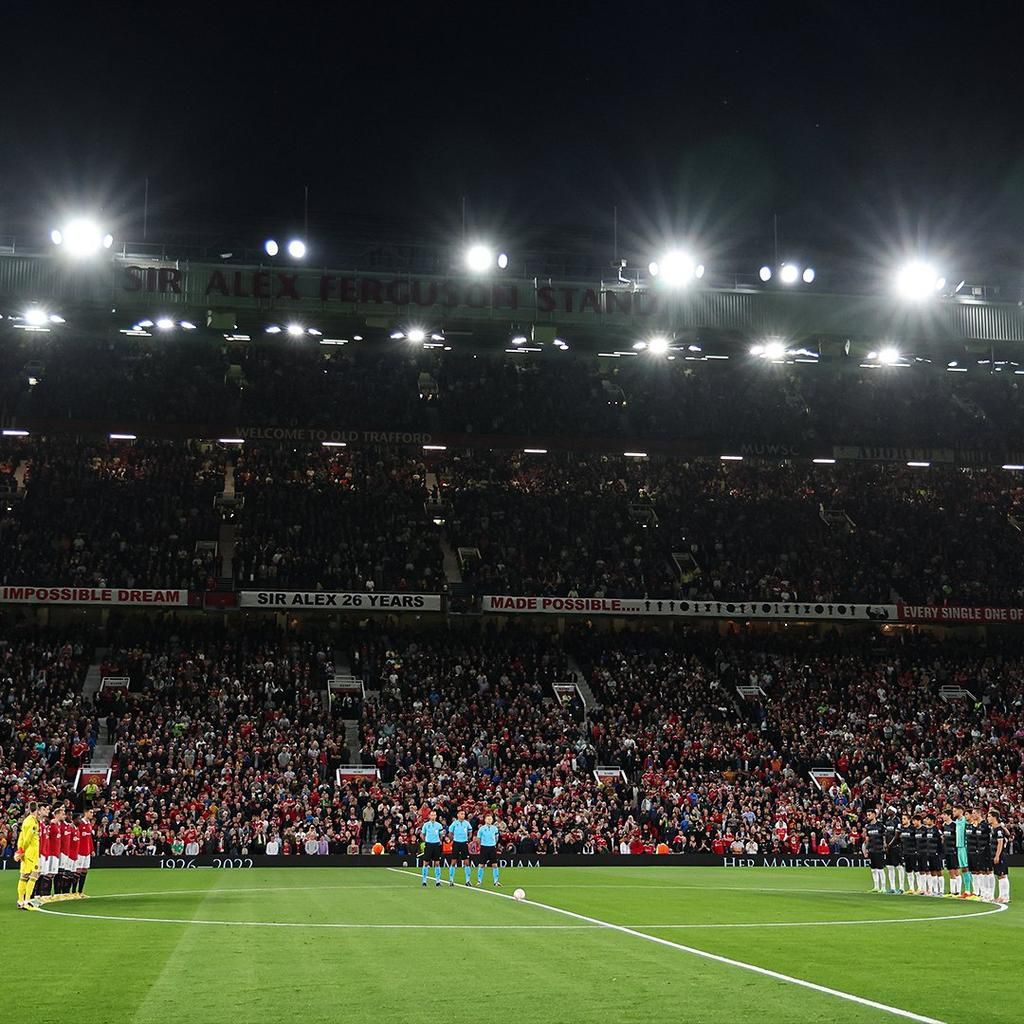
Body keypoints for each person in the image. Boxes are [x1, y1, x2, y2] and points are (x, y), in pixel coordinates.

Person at [14, 801, 44, 910]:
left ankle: (21, 901)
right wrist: (21, 851)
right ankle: (27, 901)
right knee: (33, 876)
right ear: (36, 810)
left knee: (24, 876)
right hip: (31, 853)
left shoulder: (28, 821)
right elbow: (27, 839)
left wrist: (20, 850)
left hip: (28, 852)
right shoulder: (31, 822)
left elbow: (21, 837)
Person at [987, 810, 1010, 905]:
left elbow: (1000, 843)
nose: (988, 818)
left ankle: (1004, 897)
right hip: (995, 854)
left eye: (989, 816)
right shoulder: (994, 828)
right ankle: (1002, 896)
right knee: (999, 876)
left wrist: (997, 856)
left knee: (1002, 875)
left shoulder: (999, 829)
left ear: (994, 817)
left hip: (1000, 855)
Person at [447, 809, 473, 887]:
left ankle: (468, 880)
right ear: (458, 815)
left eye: (464, 814)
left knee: (467, 862)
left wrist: (469, 838)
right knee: (453, 861)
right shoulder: (454, 823)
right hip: (456, 843)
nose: (463, 815)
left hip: (464, 843)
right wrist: (452, 839)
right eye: (461, 814)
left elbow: (470, 831)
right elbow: (450, 833)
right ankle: (451, 880)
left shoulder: (467, 823)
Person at [420, 810, 445, 888]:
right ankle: (424, 881)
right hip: (428, 845)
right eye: (432, 815)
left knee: (437, 863)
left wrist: (439, 840)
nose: (433, 816)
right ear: (429, 816)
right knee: (426, 863)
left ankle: (438, 881)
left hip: (436, 845)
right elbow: (422, 834)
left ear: (436, 816)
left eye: (434, 815)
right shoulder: (426, 825)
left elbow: (441, 835)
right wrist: (426, 841)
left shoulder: (439, 825)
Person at [863, 809, 886, 893]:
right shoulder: (868, 826)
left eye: (869, 815)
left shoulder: (880, 825)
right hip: (871, 849)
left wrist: (885, 847)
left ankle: (883, 887)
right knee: (873, 869)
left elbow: (884, 837)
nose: (868, 816)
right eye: (867, 815)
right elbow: (867, 839)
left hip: (879, 849)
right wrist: (866, 849)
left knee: (880, 868)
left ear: (874, 815)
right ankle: (876, 886)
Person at [74, 809, 95, 899]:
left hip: (87, 851)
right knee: (77, 871)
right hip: (79, 851)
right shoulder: (80, 823)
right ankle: (74, 892)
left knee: (85, 870)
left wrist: (92, 849)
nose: (92, 814)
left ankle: (80, 891)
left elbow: (89, 838)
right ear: (85, 813)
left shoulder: (89, 824)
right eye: (90, 812)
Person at [476, 813, 501, 888]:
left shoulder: (495, 828)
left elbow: (497, 838)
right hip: (484, 847)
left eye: (490, 819)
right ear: (485, 820)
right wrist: (480, 845)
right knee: (482, 864)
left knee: (494, 865)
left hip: (492, 847)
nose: (489, 820)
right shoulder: (481, 828)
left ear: (492, 820)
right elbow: (478, 839)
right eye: (488, 819)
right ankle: (479, 881)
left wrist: (494, 844)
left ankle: (496, 881)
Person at [941, 811, 960, 897]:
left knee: (956, 870)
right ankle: (952, 891)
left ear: (949, 815)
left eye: (944, 815)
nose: (943, 816)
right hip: (946, 850)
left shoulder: (954, 825)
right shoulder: (944, 825)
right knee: (950, 870)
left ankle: (958, 891)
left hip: (953, 850)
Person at [884, 811, 902, 894]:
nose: (888, 812)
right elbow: (885, 833)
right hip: (888, 848)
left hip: (895, 847)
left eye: (890, 810)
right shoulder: (887, 821)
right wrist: (885, 844)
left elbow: (897, 834)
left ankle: (901, 888)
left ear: (893, 812)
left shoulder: (897, 820)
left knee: (898, 866)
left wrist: (890, 844)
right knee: (889, 867)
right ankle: (892, 887)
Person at [899, 813, 918, 895]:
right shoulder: (902, 829)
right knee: (909, 871)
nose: (903, 820)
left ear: (909, 820)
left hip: (913, 852)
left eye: (904, 818)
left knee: (916, 871)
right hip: (905, 852)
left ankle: (920, 888)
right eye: (902, 819)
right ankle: (911, 888)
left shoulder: (913, 829)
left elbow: (917, 840)